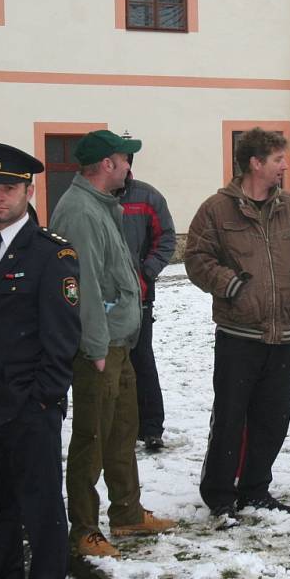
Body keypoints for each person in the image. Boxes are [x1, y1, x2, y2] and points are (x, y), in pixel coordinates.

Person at [0, 143, 81, 579]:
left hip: (29, 407)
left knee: (42, 515)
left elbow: (62, 338)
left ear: (28, 191)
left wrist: (43, 399)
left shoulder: (51, 255)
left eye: (8, 188)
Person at [185, 127, 290, 519]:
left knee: (273, 418)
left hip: (286, 332)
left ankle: (256, 488)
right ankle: (220, 493)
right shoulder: (216, 209)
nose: (284, 166)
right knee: (230, 417)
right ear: (255, 163)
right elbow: (197, 258)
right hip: (238, 333)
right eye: (278, 159)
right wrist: (231, 286)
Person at [50, 130, 175, 558]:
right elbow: (80, 286)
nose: (128, 166)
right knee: (92, 437)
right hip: (98, 349)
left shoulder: (102, 205)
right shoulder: (81, 212)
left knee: (122, 431)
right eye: (124, 159)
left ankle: (126, 513)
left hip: (119, 341)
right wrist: (97, 348)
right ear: (107, 164)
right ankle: (84, 528)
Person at [118, 139, 176, 451]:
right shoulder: (93, 198)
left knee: (142, 359)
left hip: (139, 295)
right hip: (103, 299)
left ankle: (151, 427)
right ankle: (117, 427)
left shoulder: (147, 196)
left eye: (126, 160)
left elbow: (166, 236)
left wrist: (146, 271)